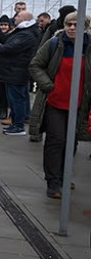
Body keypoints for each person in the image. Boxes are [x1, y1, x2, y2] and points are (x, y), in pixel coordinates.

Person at [29, 11, 91, 199]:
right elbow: (35, 66)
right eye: (69, 24)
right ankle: (53, 182)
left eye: (76, 25)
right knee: (56, 140)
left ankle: (64, 176)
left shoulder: (89, 47)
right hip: (55, 102)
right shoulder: (55, 44)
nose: (72, 28)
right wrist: (48, 85)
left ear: (85, 28)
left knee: (71, 142)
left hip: (80, 104)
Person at [0, 10, 41, 137]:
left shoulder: (26, 35)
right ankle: (17, 122)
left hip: (16, 72)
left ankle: (18, 125)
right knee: (18, 98)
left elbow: (9, 48)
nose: (15, 18)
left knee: (17, 99)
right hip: (13, 71)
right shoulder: (22, 32)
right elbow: (5, 40)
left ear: (24, 19)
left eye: (18, 16)